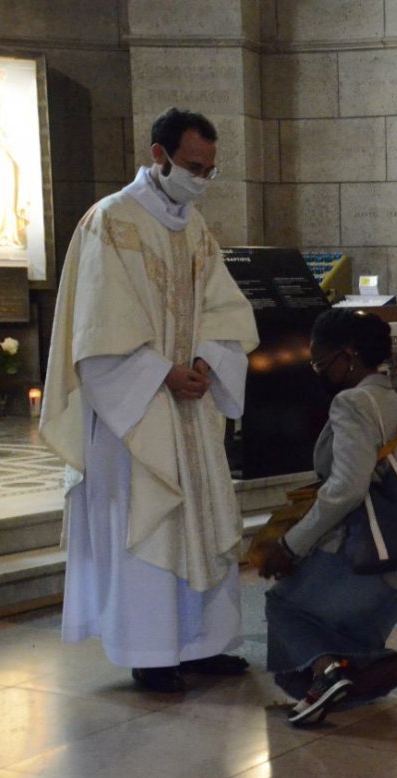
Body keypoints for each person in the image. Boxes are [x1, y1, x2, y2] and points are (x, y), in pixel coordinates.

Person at [40, 108, 260, 693]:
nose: (201, 180)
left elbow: (226, 307)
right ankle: (152, 650)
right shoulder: (110, 222)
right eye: (193, 167)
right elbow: (98, 329)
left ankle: (204, 644)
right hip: (134, 409)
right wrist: (161, 372)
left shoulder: (194, 228)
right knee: (150, 523)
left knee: (203, 516)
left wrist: (207, 363)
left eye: (210, 170)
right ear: (158, 155)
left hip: (190, 401)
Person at [257, 309, 397, 726]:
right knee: (349, 671)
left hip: (362, 557)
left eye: (321, 362)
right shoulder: (393, 401)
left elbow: (347, 489)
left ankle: (324, 674)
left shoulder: (351, 402)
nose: (317, 371)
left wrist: (290, 544)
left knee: (283, 607)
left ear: (348, 355)